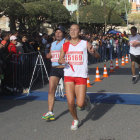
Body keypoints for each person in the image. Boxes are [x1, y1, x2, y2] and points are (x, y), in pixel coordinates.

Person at [58, 24, 100, 130]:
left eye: (75, 29)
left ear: (79, 31)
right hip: (68, 75)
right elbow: (60, 59)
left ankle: (86, 100)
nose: (72, 31)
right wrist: (61, 60)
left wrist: (93, 52)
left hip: (81, 76)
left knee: (80, 104)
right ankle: (76, 119)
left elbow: (97, 56)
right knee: (70, 101)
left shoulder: (85, 43)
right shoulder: (65, 45)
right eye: (71, 30)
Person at [42, 26, 66, 121]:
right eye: (56, 32)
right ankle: (50, 112)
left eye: (60, 32)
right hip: (54, 69)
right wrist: (45, 52)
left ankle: (84, 99)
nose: (58, 34)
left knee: (71, 92)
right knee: (51, 90)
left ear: (63, 33)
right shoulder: (53, 43)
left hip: (65, 69)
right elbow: (49, 55)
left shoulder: (66, 42)